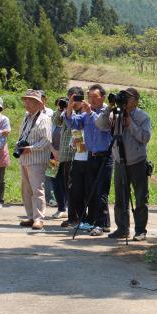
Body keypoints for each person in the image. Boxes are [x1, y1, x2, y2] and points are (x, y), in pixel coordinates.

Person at [96, 87, 152, 241]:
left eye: (128, 97)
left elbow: (145, 138)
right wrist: (109, 108)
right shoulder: (115, 113)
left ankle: (140, 230)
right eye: (123, 97)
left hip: (137, 162)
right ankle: (122, 229)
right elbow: (100, 125)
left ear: (136, 100)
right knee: (121, 198)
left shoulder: (143, 117)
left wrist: (131, 124)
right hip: (119, 160)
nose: (125, 100)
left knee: (141, 197)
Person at [64, 84, 113, 236]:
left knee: (101, 191)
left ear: (103, 97)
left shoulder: (108, 110)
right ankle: (98, 222)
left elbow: (103, 126)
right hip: (91, 156)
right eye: (89, 97)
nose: (91, 100)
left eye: (94, 97)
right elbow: (72, 123)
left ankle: (101, 224)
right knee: (93, 190)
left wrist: (90, 112)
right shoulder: (86, 113)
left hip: (105, 157)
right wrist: (70, 106)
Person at [18, 90, 52, 230]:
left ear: (38, 103)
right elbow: (23, 135)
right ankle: (31, 217)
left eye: (30, 100)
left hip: (36, 159)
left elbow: (46, 141)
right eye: (25, 100)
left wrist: (30, 148)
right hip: (25, 159)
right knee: (26, 189)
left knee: (37, 189)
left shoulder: (44, 118)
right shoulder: (26, 117)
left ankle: (39, 219)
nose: (26, 103)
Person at [61, 88, 87, 228]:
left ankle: (81, 218)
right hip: (71, 155)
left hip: (84, 157)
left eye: (76, 98)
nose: (73, 101)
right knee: (71, 189)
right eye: (71, 98)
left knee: (80, 190)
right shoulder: (70, 113)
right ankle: (73, 217)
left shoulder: (86, 112)